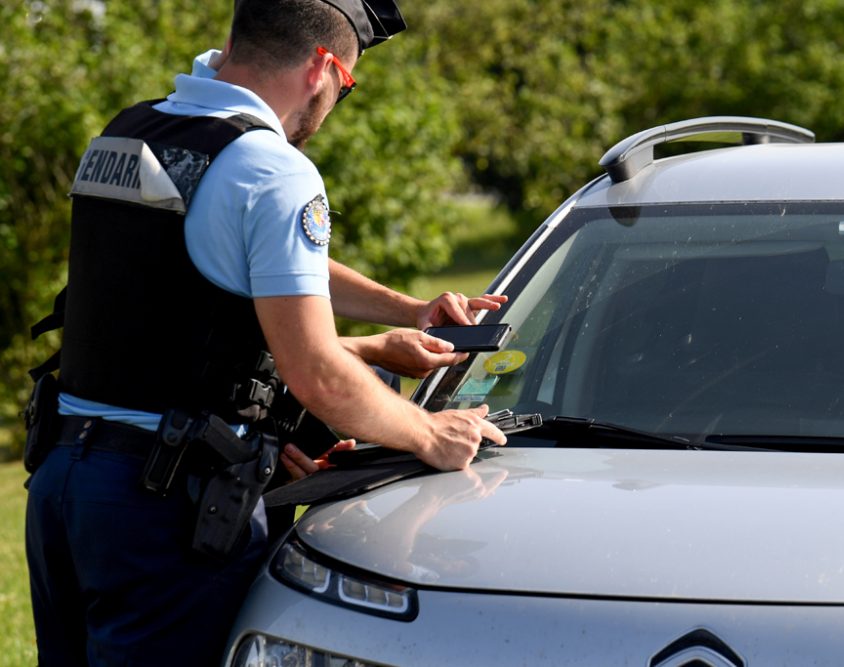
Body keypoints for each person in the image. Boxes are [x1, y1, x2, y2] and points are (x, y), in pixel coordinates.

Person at [24, 0, 507, 665]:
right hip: (163, 506)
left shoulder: (135, 130)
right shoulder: (271, 170)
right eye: (348, 84)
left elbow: (243, 268)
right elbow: (316, 374)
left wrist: (407, 310)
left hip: (62, 483)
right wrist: (432, 433)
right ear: (323, 67)